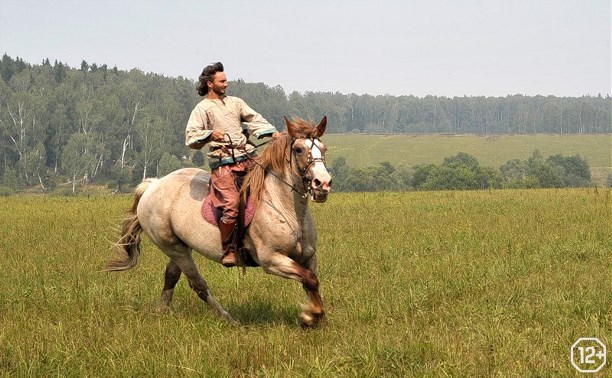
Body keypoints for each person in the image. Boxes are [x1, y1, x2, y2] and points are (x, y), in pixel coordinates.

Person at [185, 62, 279, 267]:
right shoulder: (202, 109)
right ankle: (228, 249)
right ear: (210, 84)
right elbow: (191, 136)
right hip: (223, 164)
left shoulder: (236, 102)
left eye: (226, 80)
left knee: (273, 188)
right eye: (222, 81)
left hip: (249, 158)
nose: (226, 84)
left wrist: (270, 132)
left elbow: (254, 119)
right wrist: (210, 134)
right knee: (232, 204)